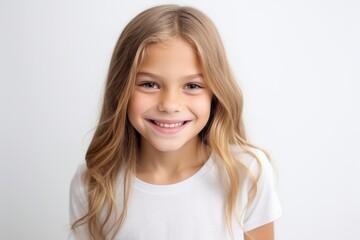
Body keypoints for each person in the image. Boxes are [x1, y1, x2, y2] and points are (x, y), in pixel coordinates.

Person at [69, 4, 282, 240]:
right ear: (121, 89)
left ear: (216, 93)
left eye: (192, 86)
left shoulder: (246, 173)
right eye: (149, 84)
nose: (170, 104)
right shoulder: (95, 182)